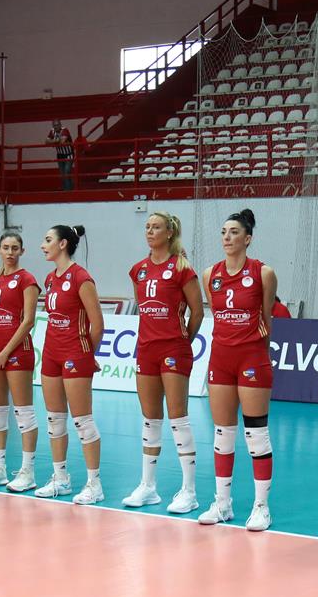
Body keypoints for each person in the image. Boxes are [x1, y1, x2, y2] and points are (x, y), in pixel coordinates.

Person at [200, 208, 278, 531]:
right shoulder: (210, 274)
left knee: (256, 435)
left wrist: (255, 350)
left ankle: (262, 507)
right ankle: (222, 503)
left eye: (234, 232)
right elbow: (216, 314)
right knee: (223, 434)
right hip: (220, 359)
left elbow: (267, 318)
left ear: (248, 239)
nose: (227, 237)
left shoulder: (263, 273)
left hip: (252, 358)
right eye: (223, 232)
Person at [122, 212, 205, 513]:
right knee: (150, 419)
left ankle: (189, 491)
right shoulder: (138, 270)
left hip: (174, 349)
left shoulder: (182, 268)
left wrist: (182, 341)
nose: (149, 231)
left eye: (156, 227)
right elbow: (144, 309)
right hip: (146, 349)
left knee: (178, 418)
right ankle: (148, 487)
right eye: (147, 226)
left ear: (169, 232)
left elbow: (197, 311)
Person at [36, 224, 105, 503]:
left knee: (82, 421)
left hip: (75, 354)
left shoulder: (81, 278)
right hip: (51, 353)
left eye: (48, 240)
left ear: (63, 244)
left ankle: (94, 485)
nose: (43, 245)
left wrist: (87, 354)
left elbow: (97, 324)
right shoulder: (50, 279)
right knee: (54, 419)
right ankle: (60, 478)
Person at [0, 232, 41, 491]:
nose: (10, 252)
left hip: (17, 353)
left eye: (15, 248)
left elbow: (28, 321)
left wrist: (5, 352)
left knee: (24, 413)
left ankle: (28, 472)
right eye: (6, 247)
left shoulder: (27, 280)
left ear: (22, 251)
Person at [46, 120, 74, 191]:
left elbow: (62, 141)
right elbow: (46, 141)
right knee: (62, 174)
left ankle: (68, 190)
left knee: (67, 171)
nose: (56, 127)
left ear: (60, 125)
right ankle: (67, 188)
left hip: (68, 154)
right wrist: (56, 141)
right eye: (54, 125)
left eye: (57, 125)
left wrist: (53, 142)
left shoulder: (65, 130)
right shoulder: (52, 131)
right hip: (60, 154)